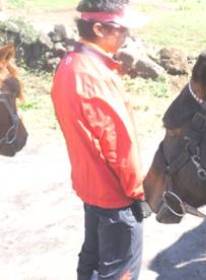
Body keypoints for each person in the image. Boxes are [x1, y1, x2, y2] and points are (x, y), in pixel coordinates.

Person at [51, 1, 151, 279]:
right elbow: (119, 145)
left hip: (89, 185)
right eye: (121, 30)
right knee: (119, 270)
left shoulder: (69, 63)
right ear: (98, 28)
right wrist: (139, 194)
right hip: (115, 196)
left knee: (92, 259)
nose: (125, 36)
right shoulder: (95, 76)